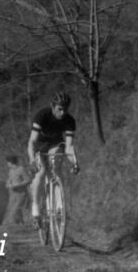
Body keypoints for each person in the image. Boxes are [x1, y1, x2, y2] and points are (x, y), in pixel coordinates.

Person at [27, 91, 80, 229]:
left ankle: (58, 206)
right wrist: (32, 159)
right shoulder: (42, 115)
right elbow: (32, 141)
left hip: (54, 145)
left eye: (65, 110)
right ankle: (35, 210)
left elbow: (69, 146)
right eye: (59, 109)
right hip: (39, 145)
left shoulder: (69, 120)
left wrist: (74, 162)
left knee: (56, 168)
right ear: (53, 106)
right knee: (42, 172)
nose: (62, 113)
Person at [4, 156, 31, 225]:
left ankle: (18, 225)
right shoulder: (11, 171)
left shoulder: (21, 169)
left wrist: (18, 185)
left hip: (21, 194)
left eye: (8, 162)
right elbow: (9, 180)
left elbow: (28, 180)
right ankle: (20, 225)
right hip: (13, 194)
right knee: (16, 211)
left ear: (11, 162)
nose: (7, 164)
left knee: (15, 210)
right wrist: (8, 184)